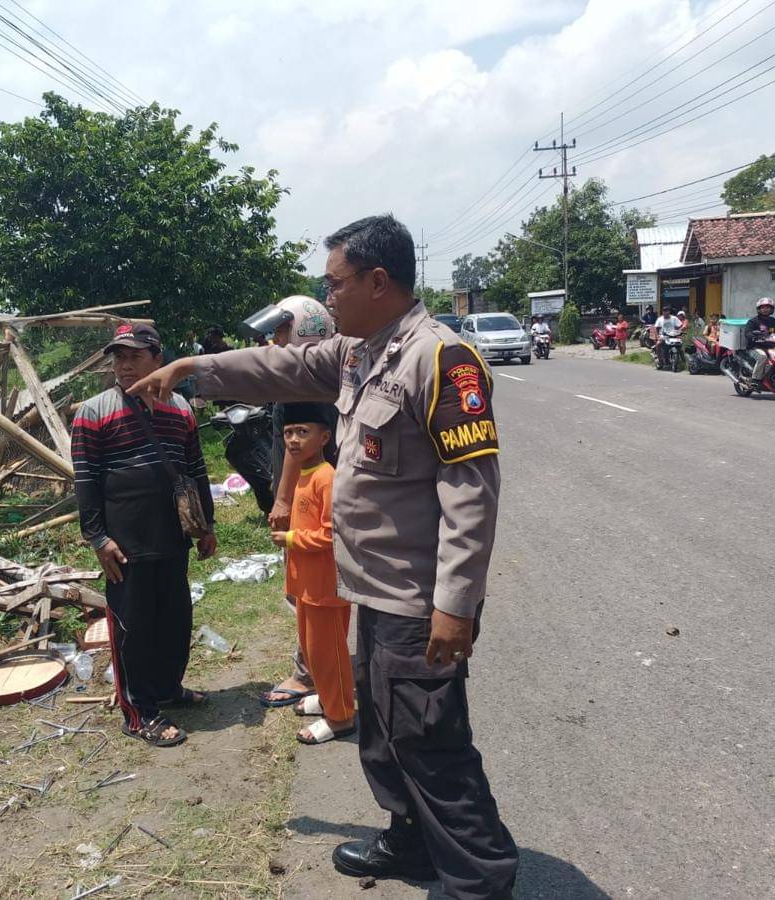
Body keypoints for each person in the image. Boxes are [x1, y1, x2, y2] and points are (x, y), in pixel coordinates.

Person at [129, 215, 518, 898]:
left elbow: (471, 493)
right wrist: (193, 369)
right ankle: (411, 839)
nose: (326, 297)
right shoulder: (357, 352)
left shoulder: (441, 359)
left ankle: (479, 880)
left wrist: (455, 605)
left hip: (417, 598)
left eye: (334, 284)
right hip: (369, 589)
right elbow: (275, 367)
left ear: (377, 281)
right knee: (383, 731)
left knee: (430, 741)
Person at [70, 323, 217, 748]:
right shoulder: (94, 411)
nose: (124, 365)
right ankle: (139, 712)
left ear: (158, 359)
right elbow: (87, 480)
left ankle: (168, 687)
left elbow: (195, 469)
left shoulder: (181, 408)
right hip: (125, 541)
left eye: (134, 356)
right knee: (132, 627)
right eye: (118, 357)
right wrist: (98, 538)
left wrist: (205, 525)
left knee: (173, 619)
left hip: (172, 535)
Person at [243, 296, 339, 709]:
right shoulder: (310, 372)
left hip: (311, 495)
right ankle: (321, 669)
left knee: (310, 591)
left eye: (281, 332)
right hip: (310, 491)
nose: (273, 340)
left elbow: (299, 454)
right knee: (305, 590)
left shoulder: (308, 381)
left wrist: (281, 500)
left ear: (303, 330)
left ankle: (311, 675)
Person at [268, 403, 355, 745]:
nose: (293, 440)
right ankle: (328, 699)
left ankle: (342, 717)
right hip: (305, 585)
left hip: (325, 589)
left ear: (324, 437)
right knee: (311, 649)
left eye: (302, 432)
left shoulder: (327, 478)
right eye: (288, 433)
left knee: (329, 653)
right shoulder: (304, 475)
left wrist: (290, 537)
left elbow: (333, 534)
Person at [745, 297, 775, 381]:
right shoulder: (753, 321)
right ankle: (755, 380)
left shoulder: (774, 321)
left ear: (772, 309)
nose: (765, 309)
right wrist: (754, 336)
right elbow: (748, 333)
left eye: (768, 307)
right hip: (755, 347)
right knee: (762, 357)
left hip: (770, 347)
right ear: (759, 309)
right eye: (763, 307)